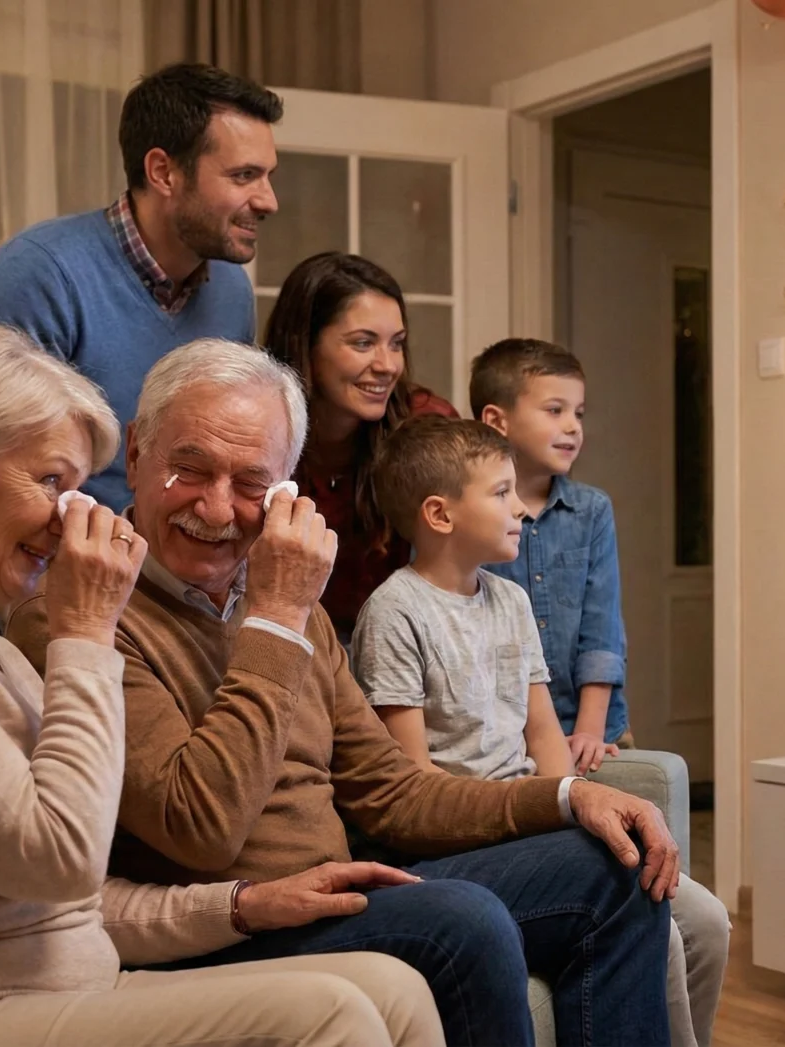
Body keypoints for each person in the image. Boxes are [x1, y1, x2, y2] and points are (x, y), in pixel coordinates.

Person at [0, 324, 441, 1047]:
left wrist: (242, 905)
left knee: (393, 988)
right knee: (329, 1014)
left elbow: (73, 904)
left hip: (44, 993)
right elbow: (60, 857)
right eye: (48, 481)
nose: (74, 515)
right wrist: (88, 631)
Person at [5, 339, 680, 1047]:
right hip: (232, 922)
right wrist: (276, 616)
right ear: (138, 453)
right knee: (466, 922)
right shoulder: (84, 608)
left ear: (284, 488)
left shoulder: (284, 598)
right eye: (190, 468)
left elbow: (393, 790)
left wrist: (569, 796)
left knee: (614, 866)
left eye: (249, 483)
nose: (215, 506)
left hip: (335, 897)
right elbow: (199, 827)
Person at [354, 414, 732, 1047]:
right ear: (440, 515)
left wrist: (574, 808)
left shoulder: (511, 601)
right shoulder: (395, 613)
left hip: (535, 818)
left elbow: (544, 742)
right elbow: (412, 787)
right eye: (501, 494)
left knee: (709, 923)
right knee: (650, 918)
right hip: (458, 843)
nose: (522, 511)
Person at [0, 63, 279, 507]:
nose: (269, 200)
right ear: (163, 172)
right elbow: (2, 472)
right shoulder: (39, 274)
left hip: (181, 560)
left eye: (268, 176)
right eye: (243, 176)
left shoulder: (232, 291)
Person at [262, 252, 458, 639]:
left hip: (403, 650)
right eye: (364, 343)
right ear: (306, 344)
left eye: (397, 343)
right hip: (286, 640)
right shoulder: (259, 430)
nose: (388, 365)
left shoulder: (425, 428)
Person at [472, 339, 630, 768]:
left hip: (589, 727)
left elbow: (602, 631)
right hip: (498, 733)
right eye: (554, 410)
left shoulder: (592, 511)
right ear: (496, 420)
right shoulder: (467, 514)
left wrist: (589, 732)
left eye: (578, 413)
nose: (573, 426)